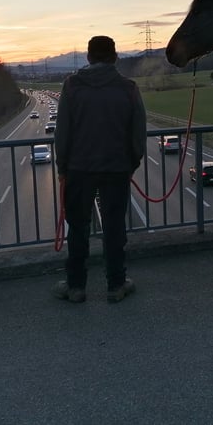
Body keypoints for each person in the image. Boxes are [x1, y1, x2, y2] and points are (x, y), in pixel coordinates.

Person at [51, 35, 147, 304]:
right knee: (115, 228)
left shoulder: (71, 87)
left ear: (88, 57)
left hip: (79, 169)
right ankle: (116, 285)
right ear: (115, 57)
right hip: (116, 168)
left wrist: (62, 167)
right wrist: (132, 162)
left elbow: (63, 133)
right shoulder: (128, 88)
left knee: (78, 228)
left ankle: (75, 286)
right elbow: (138, 132)